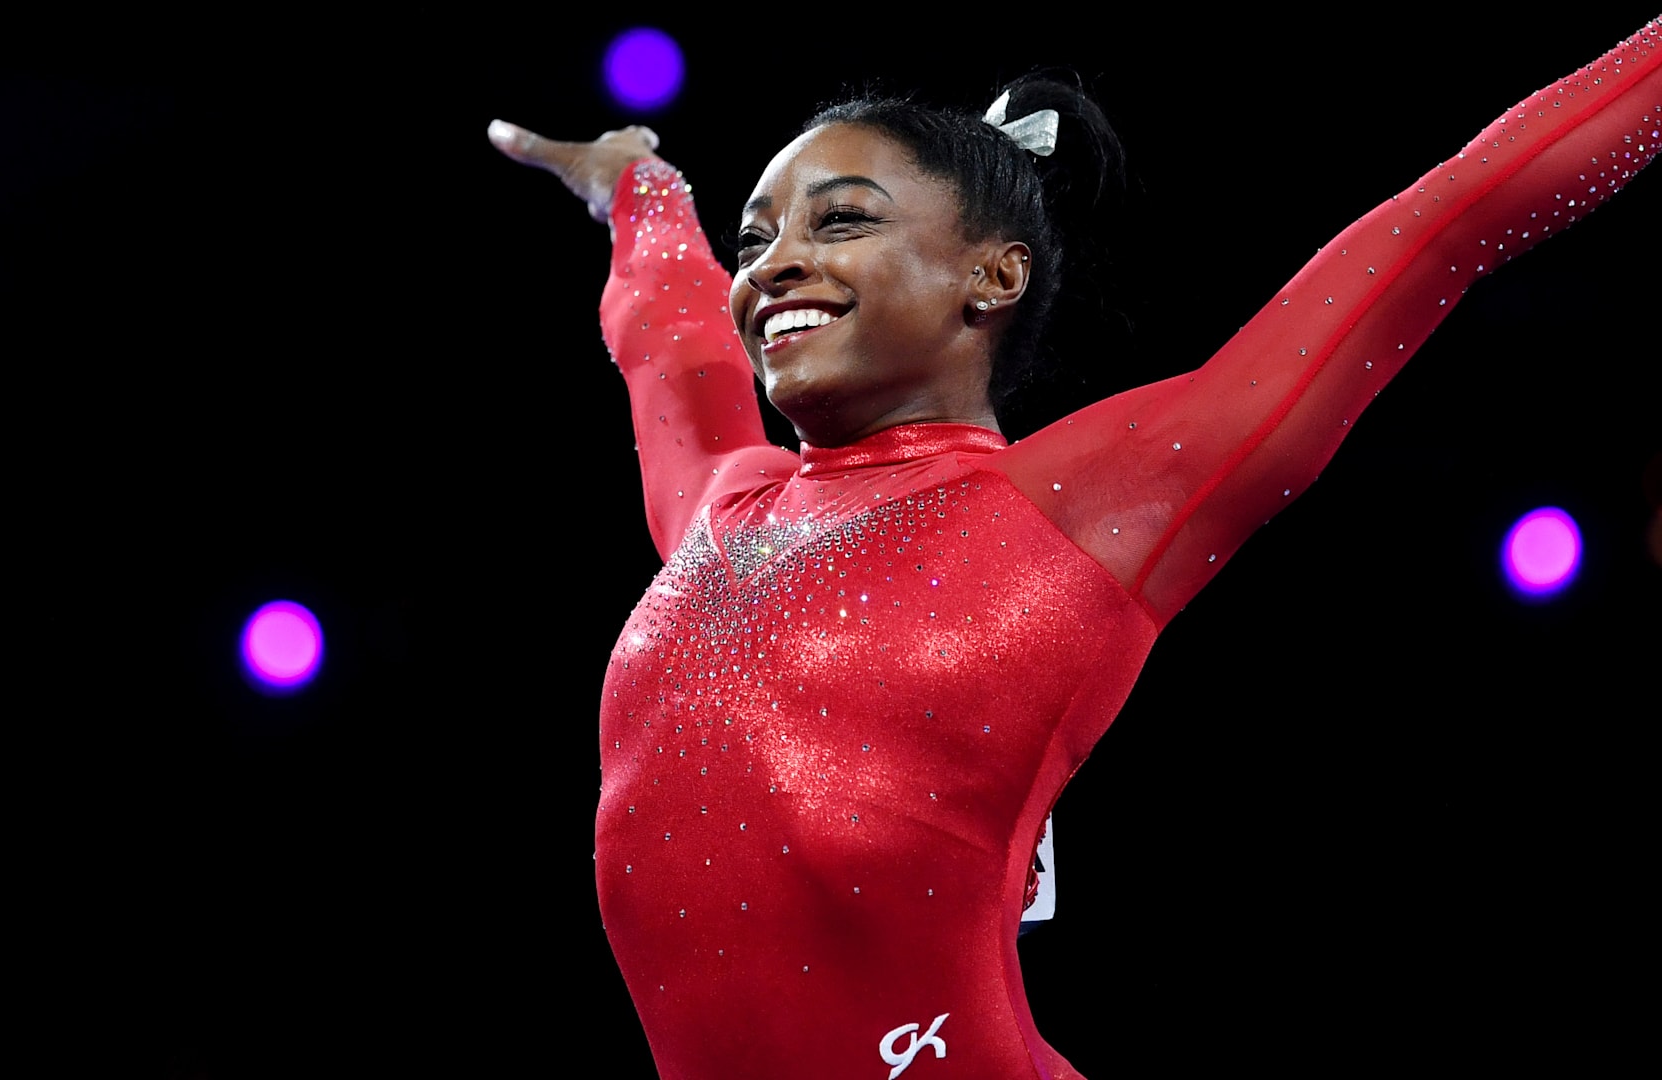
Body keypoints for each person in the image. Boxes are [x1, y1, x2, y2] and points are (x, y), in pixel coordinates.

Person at [487, 17, 1661, 1079]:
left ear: (993, 276)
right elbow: (674, 348)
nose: (773, 266)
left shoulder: (1083, 505)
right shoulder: (717, 510)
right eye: (757, 239)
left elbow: (1446, 222)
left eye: (840, 218)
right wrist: (637, 189)